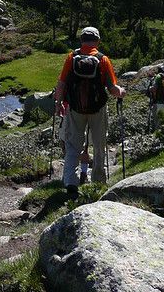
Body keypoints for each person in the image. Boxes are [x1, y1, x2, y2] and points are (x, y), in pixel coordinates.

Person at [53, 26, 125, 199]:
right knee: (99, 145)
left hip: (75, 109)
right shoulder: (103, 59)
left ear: (81, 40)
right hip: (97, 109)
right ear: (97, 41)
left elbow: (62, 84)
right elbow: (112, 89)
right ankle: (98, 182)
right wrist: (121, 92)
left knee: (72, 145)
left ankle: (71, 182)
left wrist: (58, 103)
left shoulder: (72, 57)